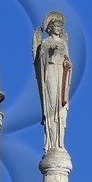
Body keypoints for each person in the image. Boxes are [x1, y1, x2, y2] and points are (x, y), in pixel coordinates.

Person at [33, 11, 70, 152]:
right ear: (50, 27)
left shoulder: (64, 43)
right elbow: (40, 63)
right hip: (50, 75)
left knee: (61, 110)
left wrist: (67, 63)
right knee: (52, 106)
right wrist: (50, 53)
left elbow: (68, 59)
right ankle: (51, 141)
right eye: (56, 25)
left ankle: (60, 141)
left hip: (61, 75)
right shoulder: (45, 43)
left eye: (60, 26)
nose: (58, 28)